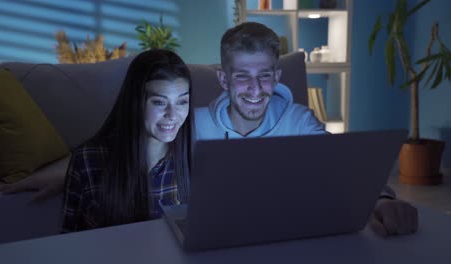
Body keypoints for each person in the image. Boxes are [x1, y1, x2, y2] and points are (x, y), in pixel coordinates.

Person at [194, 22, 418, 237]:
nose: (256, 89)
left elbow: (342, 167)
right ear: (224, 80)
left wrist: (382, 200)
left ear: (277, 77)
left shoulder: (299, 120)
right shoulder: (195, 126)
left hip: (288, 236)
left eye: (264, 75)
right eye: (242, 76)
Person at [61, 49, 191, 232]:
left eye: (182, 102)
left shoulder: (192, 156)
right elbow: (68, 236)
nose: (172, 115)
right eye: (159, 102)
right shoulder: (89, 159)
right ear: (136, 101)